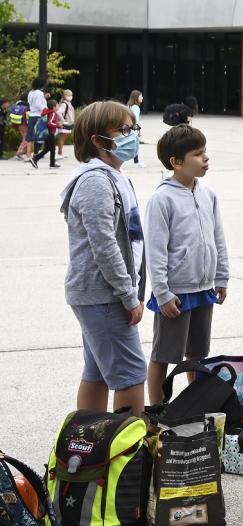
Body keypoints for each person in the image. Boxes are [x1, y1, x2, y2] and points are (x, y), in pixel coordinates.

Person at [59, 100, 147, 415]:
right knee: (131, 376)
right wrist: (128, 294)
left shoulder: (113, 176)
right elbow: (104, 245)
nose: (131, 135)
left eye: (133, 129)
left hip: (98, 293)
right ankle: (128, 457)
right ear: (97, 140)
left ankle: (89, 449)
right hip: (103, 293)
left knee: (97, 372)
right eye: (123, 130)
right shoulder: (96, 181)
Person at [144, 125, 230, 406]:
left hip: (204, 287)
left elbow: (218, 238)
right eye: (198, 153)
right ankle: (156, 411)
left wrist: (221, 277)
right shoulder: (162, 199)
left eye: (205, 152)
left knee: (197, 355)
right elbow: (155, 251)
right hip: (175, 292)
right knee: (164, 356)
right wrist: (162, 292)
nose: (205, 158)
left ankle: (196, 405)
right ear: (176, 162)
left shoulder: (209, 194)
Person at [30, 98, 61, 169]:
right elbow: (50, 123)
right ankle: (51, 164)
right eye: (57, 105)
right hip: (50, 132)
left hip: (45, 132)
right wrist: (58, 125)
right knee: (52, 148)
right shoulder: (53, 113)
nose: (58, 106)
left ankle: (36, 158)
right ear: (54, 107)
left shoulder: (46, 112)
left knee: (48, 148)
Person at [127, 90, 146, 168]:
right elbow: (135, 120)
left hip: (129, 128)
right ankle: (136, 162)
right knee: (135, 146)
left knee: (133, 145)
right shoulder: (135, 107)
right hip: (133, 129)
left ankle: (136, 161)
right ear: (136, 97)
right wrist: (137, 131)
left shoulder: (130, 106)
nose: (142, 98)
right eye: (141, 96)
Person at [55, 89, 75, 157]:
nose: (70, 96)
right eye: (68, 95)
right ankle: (60, 152)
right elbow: (58, 112)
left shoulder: (68, 103)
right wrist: (63, 120)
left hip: (68, 123)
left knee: (63, 138)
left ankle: (60, 152)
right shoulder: (64, 104)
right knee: (62, 138)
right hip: (65, 123)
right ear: (65, 96)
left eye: (71, 95)